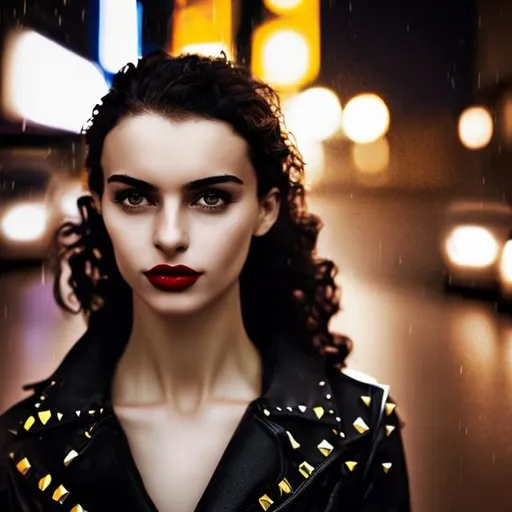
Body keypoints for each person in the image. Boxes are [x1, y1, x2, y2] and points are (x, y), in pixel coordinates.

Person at [0, 51, 410, 512]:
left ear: (265, 209)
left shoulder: (361, 430)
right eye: (135, 197)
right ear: (99, 207)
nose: (170, 236)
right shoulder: (20, 450)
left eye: (210, 198)